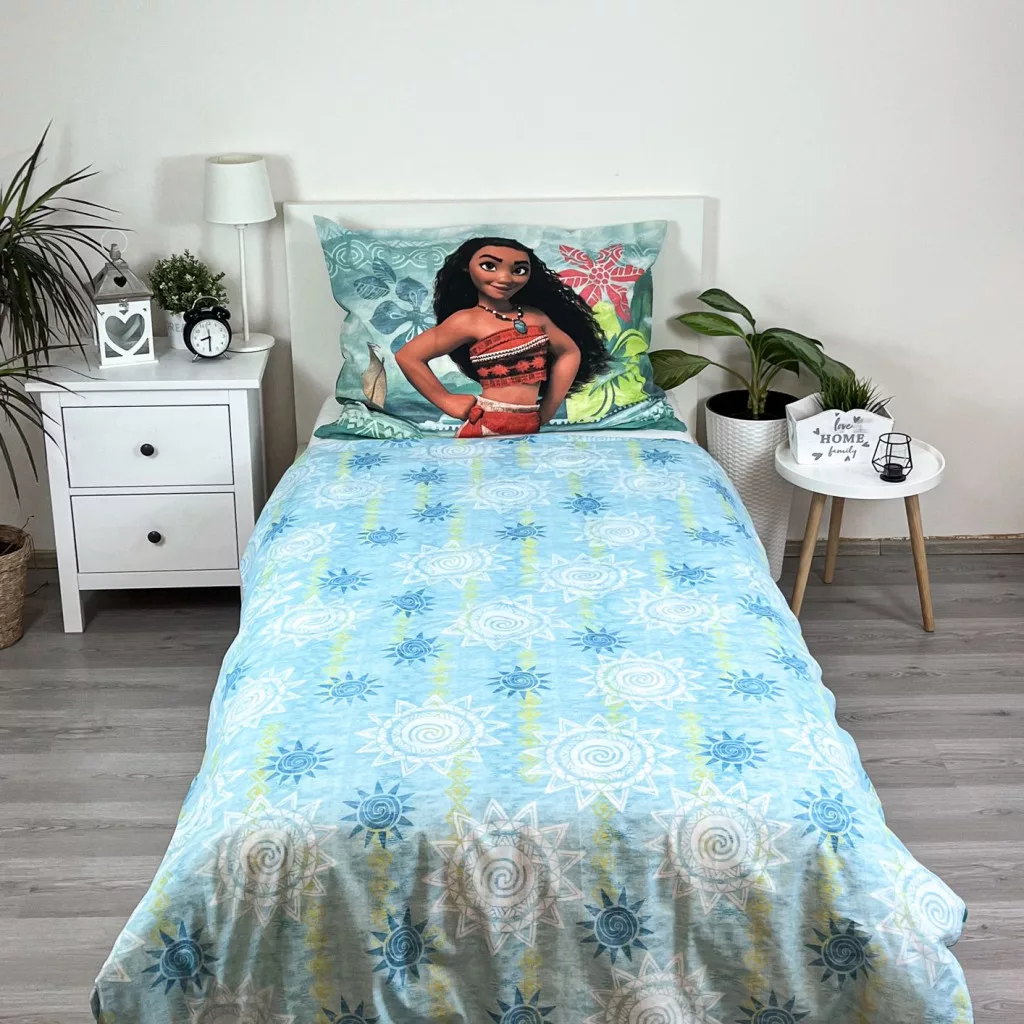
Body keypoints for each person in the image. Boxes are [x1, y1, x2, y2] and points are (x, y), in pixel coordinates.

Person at [394, 236, 610, 437]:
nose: (505, 278)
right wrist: (446, 400)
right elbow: (408, 356)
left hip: (529, 423)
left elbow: (569, 352)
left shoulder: (535, 316)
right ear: (466, 267)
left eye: (519, 270)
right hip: (485, 423)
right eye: (489, 266)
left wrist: (549, 408)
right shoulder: (466, 320)